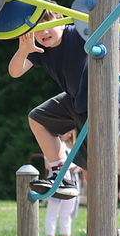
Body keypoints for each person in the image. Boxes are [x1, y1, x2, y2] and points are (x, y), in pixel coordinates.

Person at [8, 16, 88, 198]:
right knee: (39, 118)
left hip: (100, 98)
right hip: (76, 101)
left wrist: (119, 69)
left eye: (49, 26)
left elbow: (113, 32)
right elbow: (15, 71)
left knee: (91, 166)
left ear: (62, 22)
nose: (44, 32)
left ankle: (104, 219)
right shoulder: (39, 49)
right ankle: (61, 174)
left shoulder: (78, 33)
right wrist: (23, 51)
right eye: (38, 28)